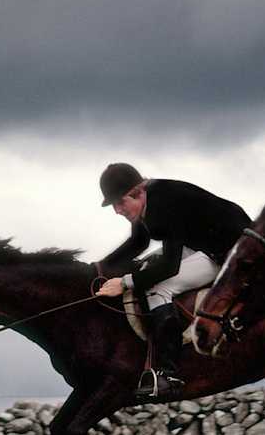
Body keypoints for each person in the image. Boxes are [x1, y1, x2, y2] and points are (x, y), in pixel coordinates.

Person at [94, 163, 250, 399]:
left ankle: (169, 374)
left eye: (120, 202)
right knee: (146, 267)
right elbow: (139, 243)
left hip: (229, 253)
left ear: (138, 191)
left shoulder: (164, 203)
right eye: (114, 204)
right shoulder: (150, 198)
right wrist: (98, 268)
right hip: (203, 245)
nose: (117, 210)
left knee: (158, 287)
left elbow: (169, 266)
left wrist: (124, 282)